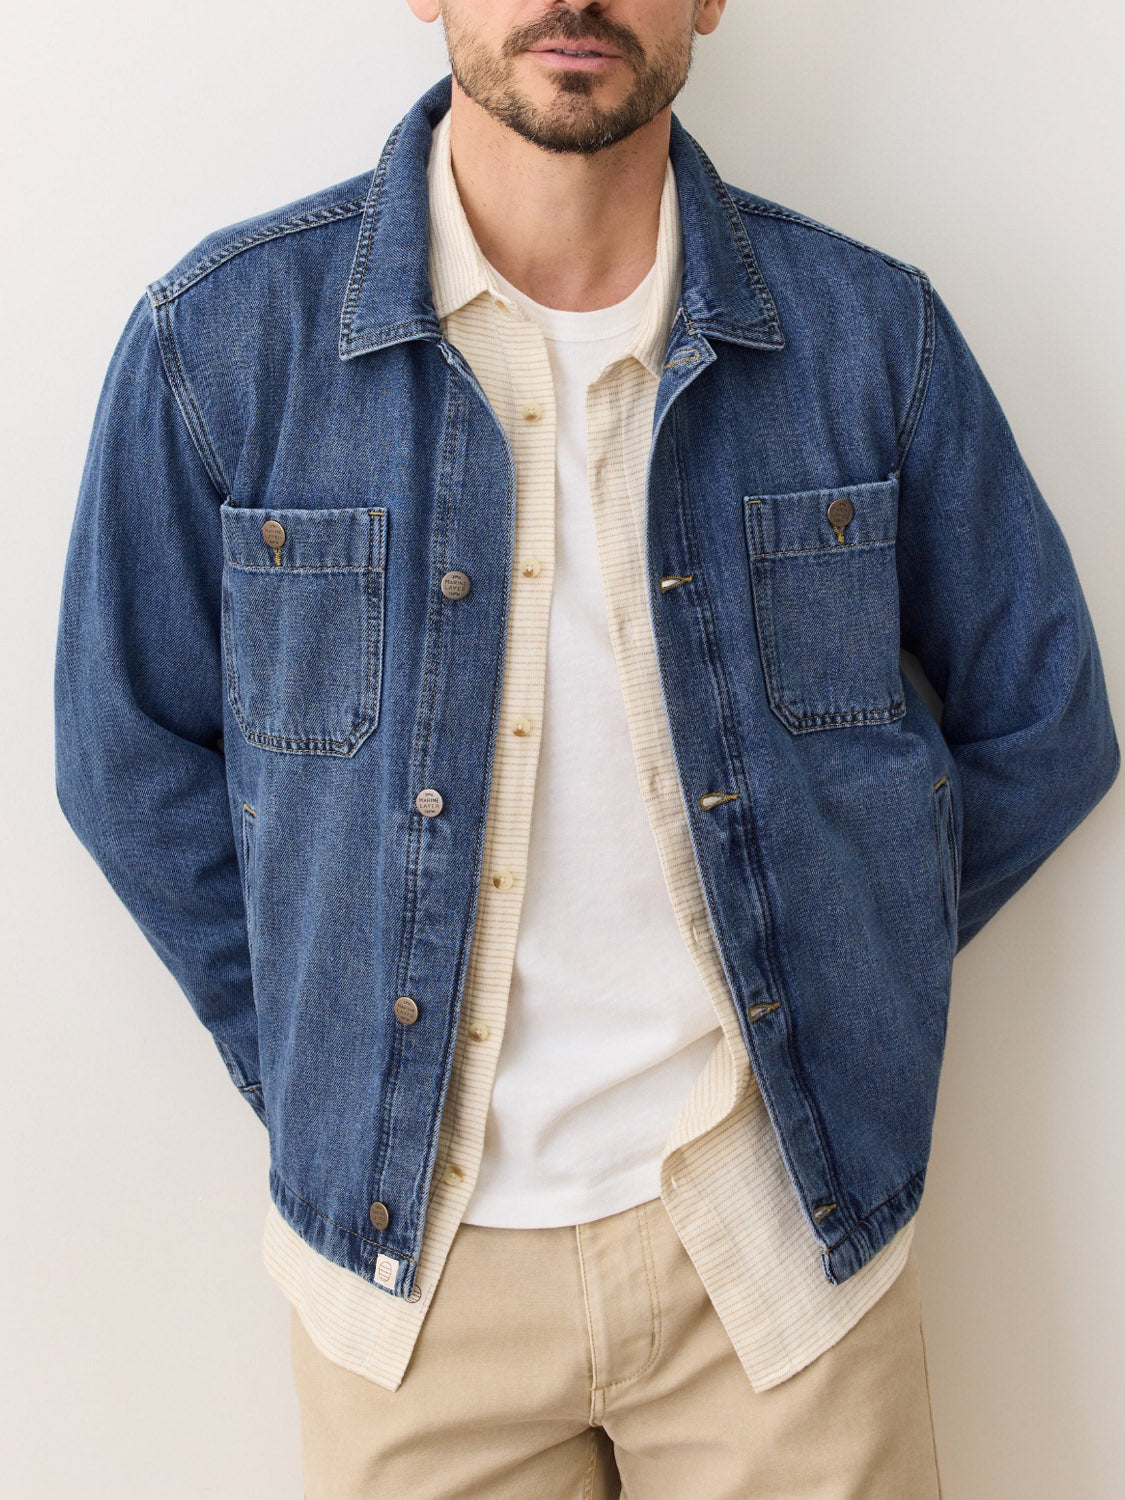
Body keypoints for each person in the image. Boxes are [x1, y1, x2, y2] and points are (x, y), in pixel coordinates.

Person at [54, 2, 1118, 1496]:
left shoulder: (869, 340)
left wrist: (837, 966)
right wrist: (325, 1052)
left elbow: (1041, 714)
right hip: (412, 1279)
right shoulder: (224, 348)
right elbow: (122, 753)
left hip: (776, 1248)